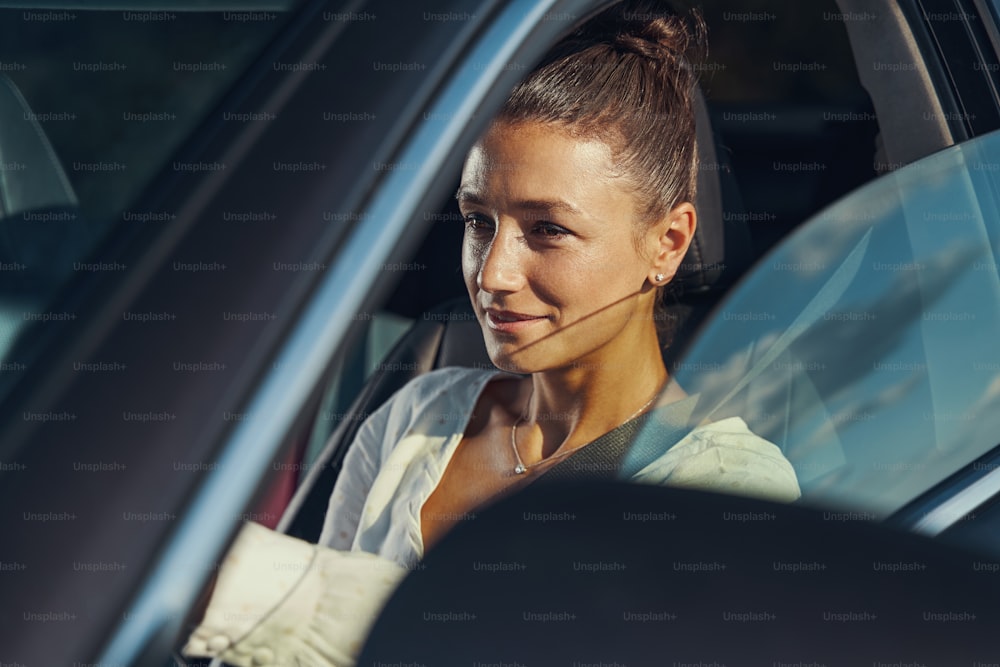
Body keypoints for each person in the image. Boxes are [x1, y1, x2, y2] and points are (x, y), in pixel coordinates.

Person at [183, 2, 800, 665]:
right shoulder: (417, 413)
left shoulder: (728, 486)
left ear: (669, 243)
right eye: (479, 221)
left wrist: (242, 589)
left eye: (548, 229)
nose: (494, 273)